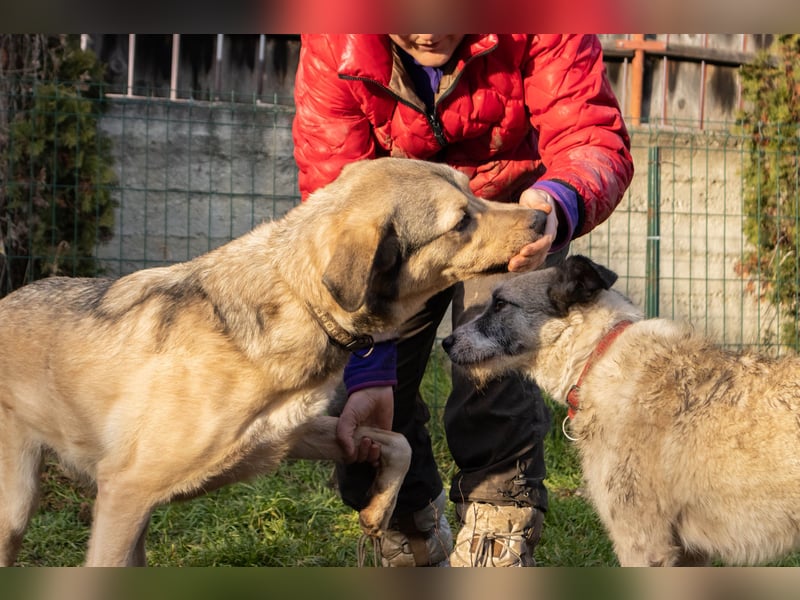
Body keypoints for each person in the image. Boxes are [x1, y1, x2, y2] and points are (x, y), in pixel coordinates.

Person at [292, 34, 633, 567]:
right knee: (372, 380)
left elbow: (590, 133)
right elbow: (334, 187)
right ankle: (410, 520)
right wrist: (371, 363)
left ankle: (500, 520)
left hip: (512, 208)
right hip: (404, 233)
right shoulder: (337, 38)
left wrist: (556, 202)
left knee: (491, 368)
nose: (428, 31)